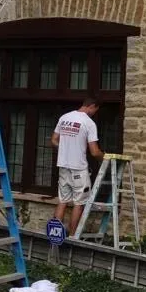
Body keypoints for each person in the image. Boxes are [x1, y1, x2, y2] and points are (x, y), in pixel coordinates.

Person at [51, 96, 104, 236]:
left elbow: (54, 140)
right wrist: (104, 158)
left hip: (63, 165)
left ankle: (55, 235)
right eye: (95, 110)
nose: (94, 113)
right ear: (92, 106)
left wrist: (65, 149)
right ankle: (73, 237)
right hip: (78, 169)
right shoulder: (89, 123)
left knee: (62, 201)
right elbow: (94, 151)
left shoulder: (64, 117)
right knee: (78, 204)